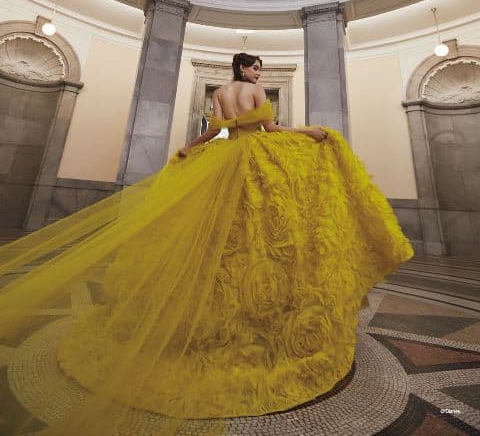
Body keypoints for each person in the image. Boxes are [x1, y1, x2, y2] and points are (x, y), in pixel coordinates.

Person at [0, 52, 414, 436]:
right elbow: (271, 130)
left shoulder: (219, 93)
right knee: (260, 233)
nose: (259, 74)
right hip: (255, 164)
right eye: (255, 68)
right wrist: (312, 132)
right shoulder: (253, 92)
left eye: (259, 70)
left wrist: (187, 148)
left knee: (222, 237)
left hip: (222, 162)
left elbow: (214, 131)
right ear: (245, 69)